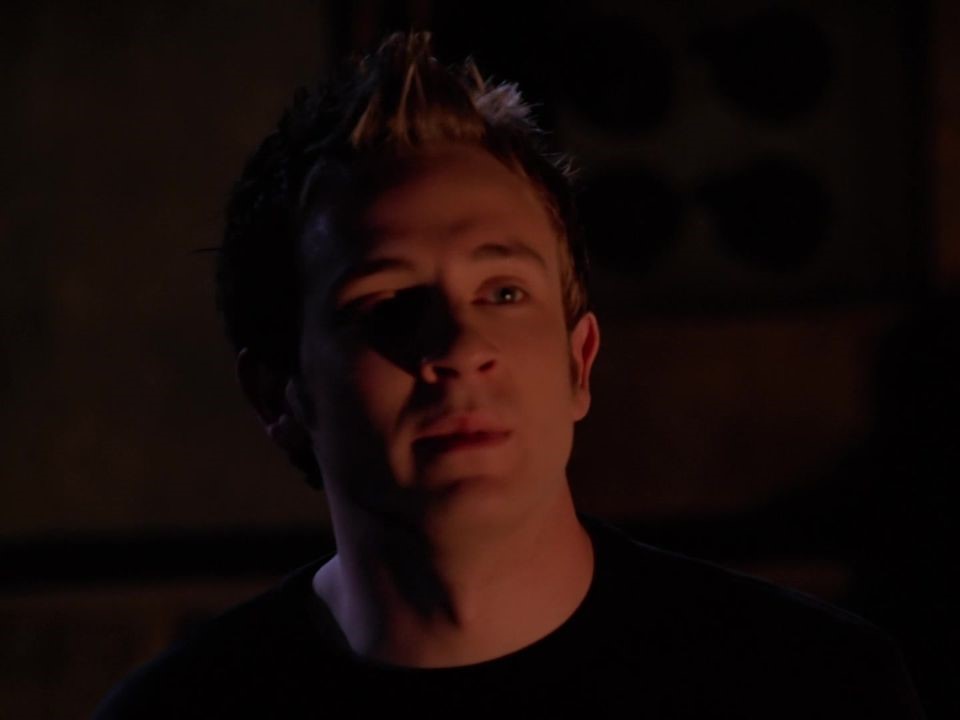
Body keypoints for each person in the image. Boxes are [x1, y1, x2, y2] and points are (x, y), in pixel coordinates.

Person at [95, 32, 925, 718]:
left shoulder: (809, 686)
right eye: (387, 303)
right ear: (279, 394)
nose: (461, 346)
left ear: (577, 362)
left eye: (504, 291)